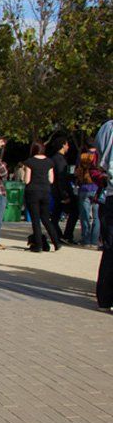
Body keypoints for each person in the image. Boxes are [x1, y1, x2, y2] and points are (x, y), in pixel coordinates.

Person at [22, 141, 60, 252]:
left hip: (33, 191)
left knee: (35, 220)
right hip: (45, 191)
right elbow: (51, 180)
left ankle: (38, 245)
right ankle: (56, 242)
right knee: (46, 218)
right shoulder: (49, 162)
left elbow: (27, 180)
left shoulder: (29, 162)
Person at [94, 120, 113, 310]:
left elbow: (102, 160)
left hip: (110, 195)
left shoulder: (107, 128)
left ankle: (105, 298)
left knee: (110, 248)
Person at [50, 134, 78, 244]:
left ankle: (59, 235)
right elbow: (61, 178)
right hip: (62, 192)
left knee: (56, 215)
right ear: (63, 145)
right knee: (74, 212)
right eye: (67, 144)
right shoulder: (60, 160)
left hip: (57, 191)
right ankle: (66, 235)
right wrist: (65, 195)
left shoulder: (55, 159)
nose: (68, 147)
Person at [76, 143, 101, 247]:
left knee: (84, 216)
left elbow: (77, 171)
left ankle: (86, 240)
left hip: (84, 188)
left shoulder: (82, 156)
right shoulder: (99, 155)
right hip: (97, 188)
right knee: (97, 217)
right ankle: (94, 241)